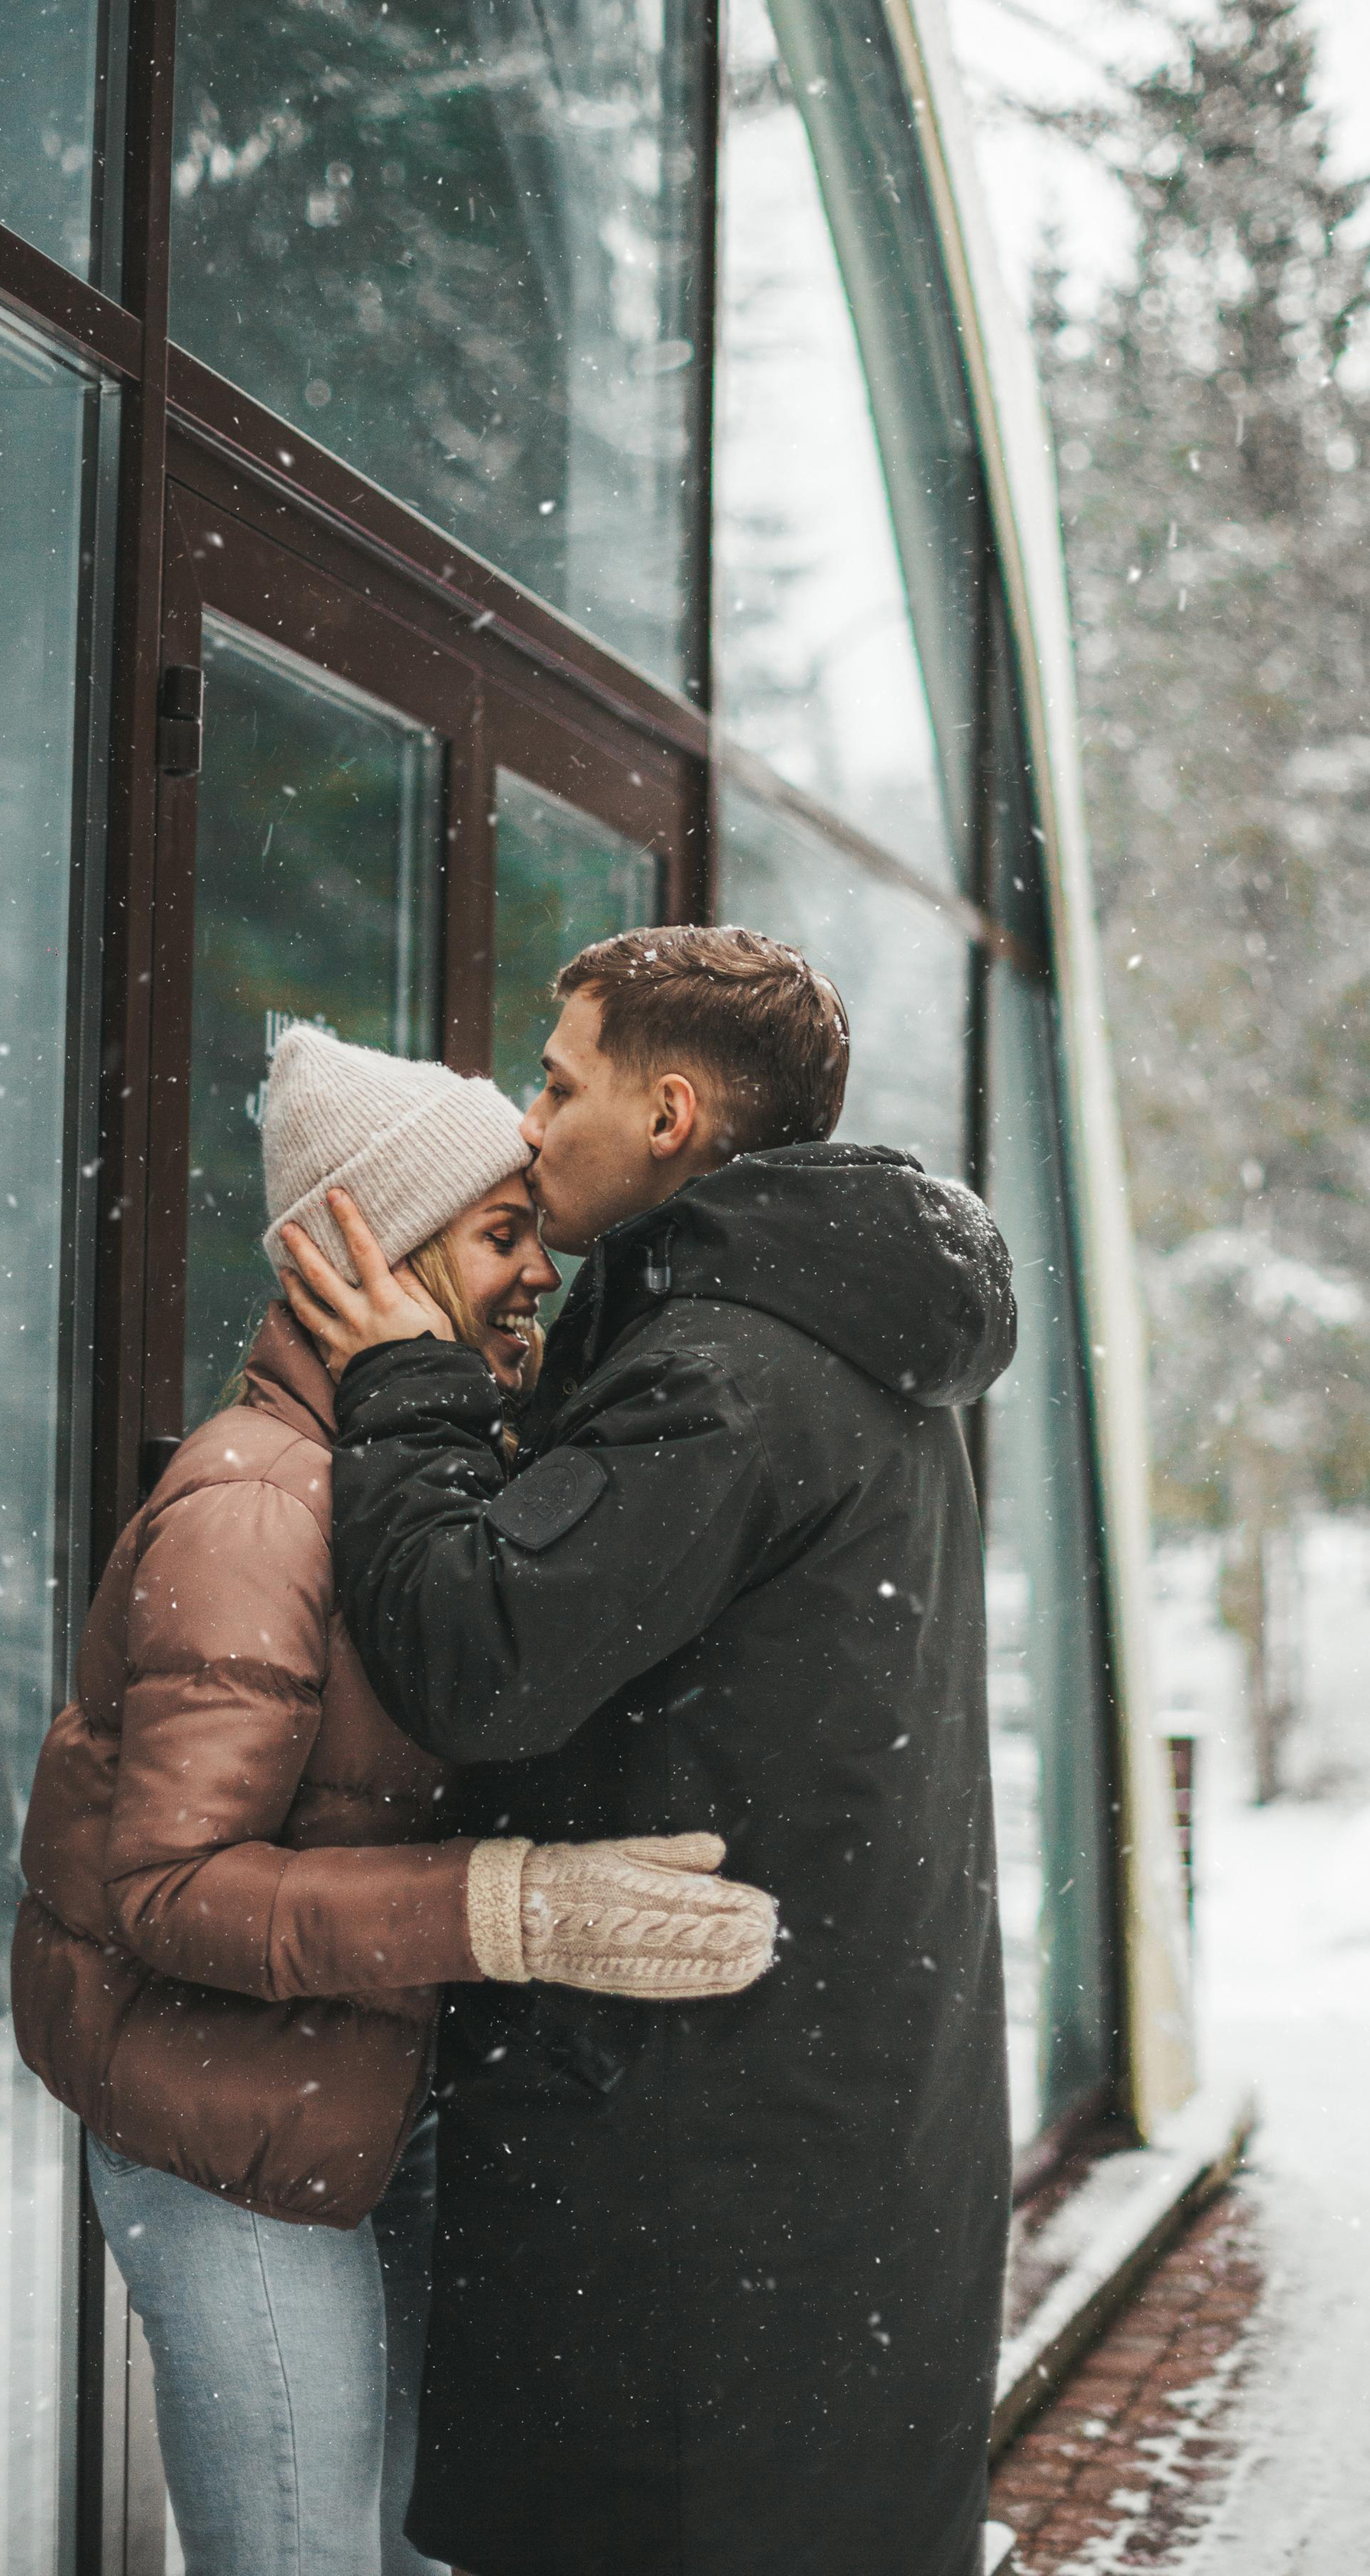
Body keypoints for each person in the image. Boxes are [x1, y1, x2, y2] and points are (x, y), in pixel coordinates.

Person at [278, 927, 1018, 2576]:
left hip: (703, 2168)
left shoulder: (728, 1368)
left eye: (558, 1081)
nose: (528, 1127)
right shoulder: (823, 1335)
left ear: (669, 1112)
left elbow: (483, 1660)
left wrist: (402, 1382)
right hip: (810, 2135)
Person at [12, 1027, 778, 2576]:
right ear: (367, 1250)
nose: (541, 1273)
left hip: (363, 2105)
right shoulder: (254, 1503)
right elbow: (164, 1891)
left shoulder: (419, 1475)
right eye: (500, 1235)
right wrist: (504, 1908)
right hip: (224, 2137)